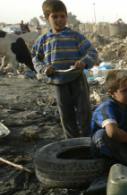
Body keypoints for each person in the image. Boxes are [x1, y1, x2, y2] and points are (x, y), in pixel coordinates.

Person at [32, 0, 97, 138]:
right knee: (66, 115)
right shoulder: (43, 40)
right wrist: (44, 69)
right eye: (54, 16)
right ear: (46, 18)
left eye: (62, 16)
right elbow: (35, 58)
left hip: (77, 79)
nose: (59, 19)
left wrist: (84, 63)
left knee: (84, 112)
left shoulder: (75, 36)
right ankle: (72, 144)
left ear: (67, 17)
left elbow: (92, 52)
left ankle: (87, 141)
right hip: (59, 82)